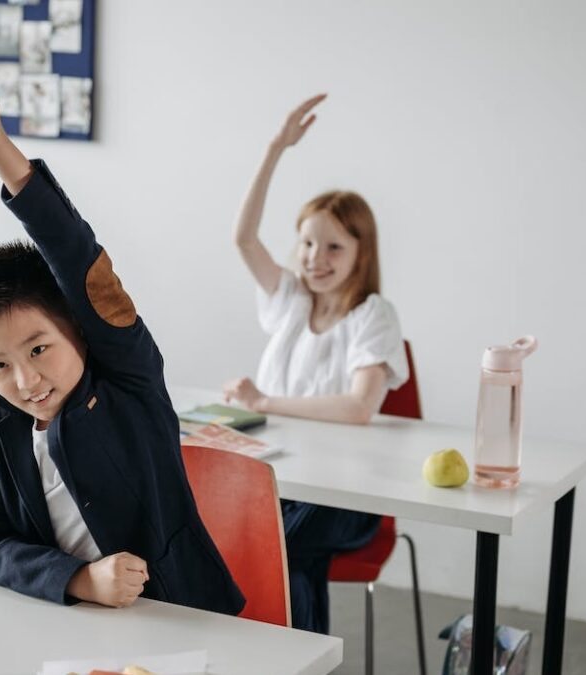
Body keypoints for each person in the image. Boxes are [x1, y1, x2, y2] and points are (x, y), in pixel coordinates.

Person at [0, 36, 244, 615]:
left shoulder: (126, 377)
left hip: (176, 616)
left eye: (39, 349)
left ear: (79, 331)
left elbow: (78, 259)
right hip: (60, 625)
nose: (25, 380)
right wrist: (78, 579)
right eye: (0, 363)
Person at [223, 94, 410, 633]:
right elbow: (242, 237)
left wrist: (263, 402)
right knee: (248, 533)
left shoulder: (373, 315)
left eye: (333, 248)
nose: (315, 259)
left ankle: (282, 661)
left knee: (271, 544)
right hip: (281, 478)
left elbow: (359, 408)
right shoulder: (290, 299)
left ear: (360, 255)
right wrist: (275, 148)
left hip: (346, 497)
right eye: (307, 243)